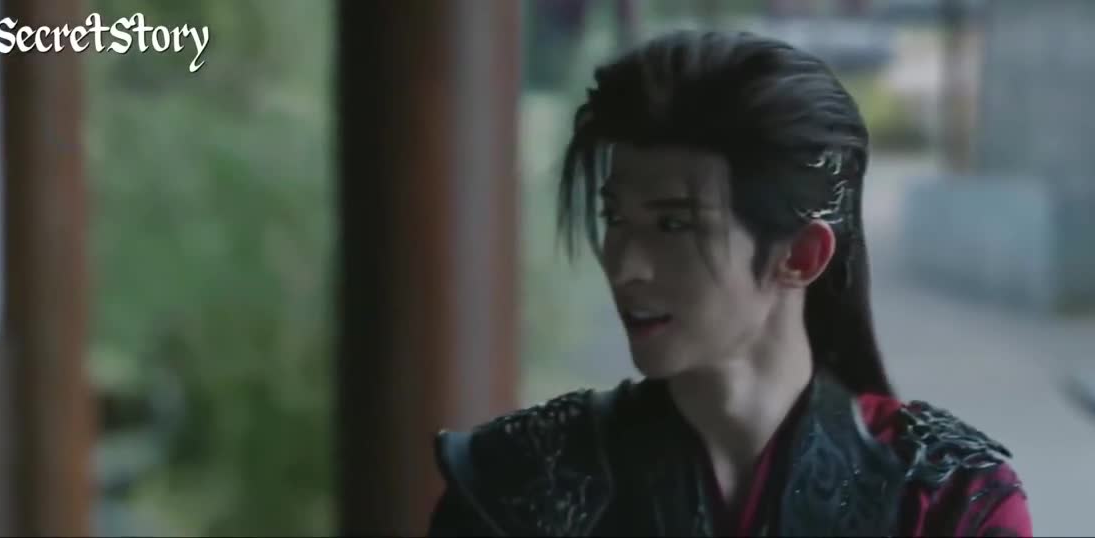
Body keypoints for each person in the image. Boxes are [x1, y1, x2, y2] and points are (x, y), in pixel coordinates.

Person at [427, 30, 1032, 537]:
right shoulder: (516, 484)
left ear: (801, 254)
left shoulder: (951, 497)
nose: (625, 266)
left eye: (673, 224)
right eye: (616, 219)